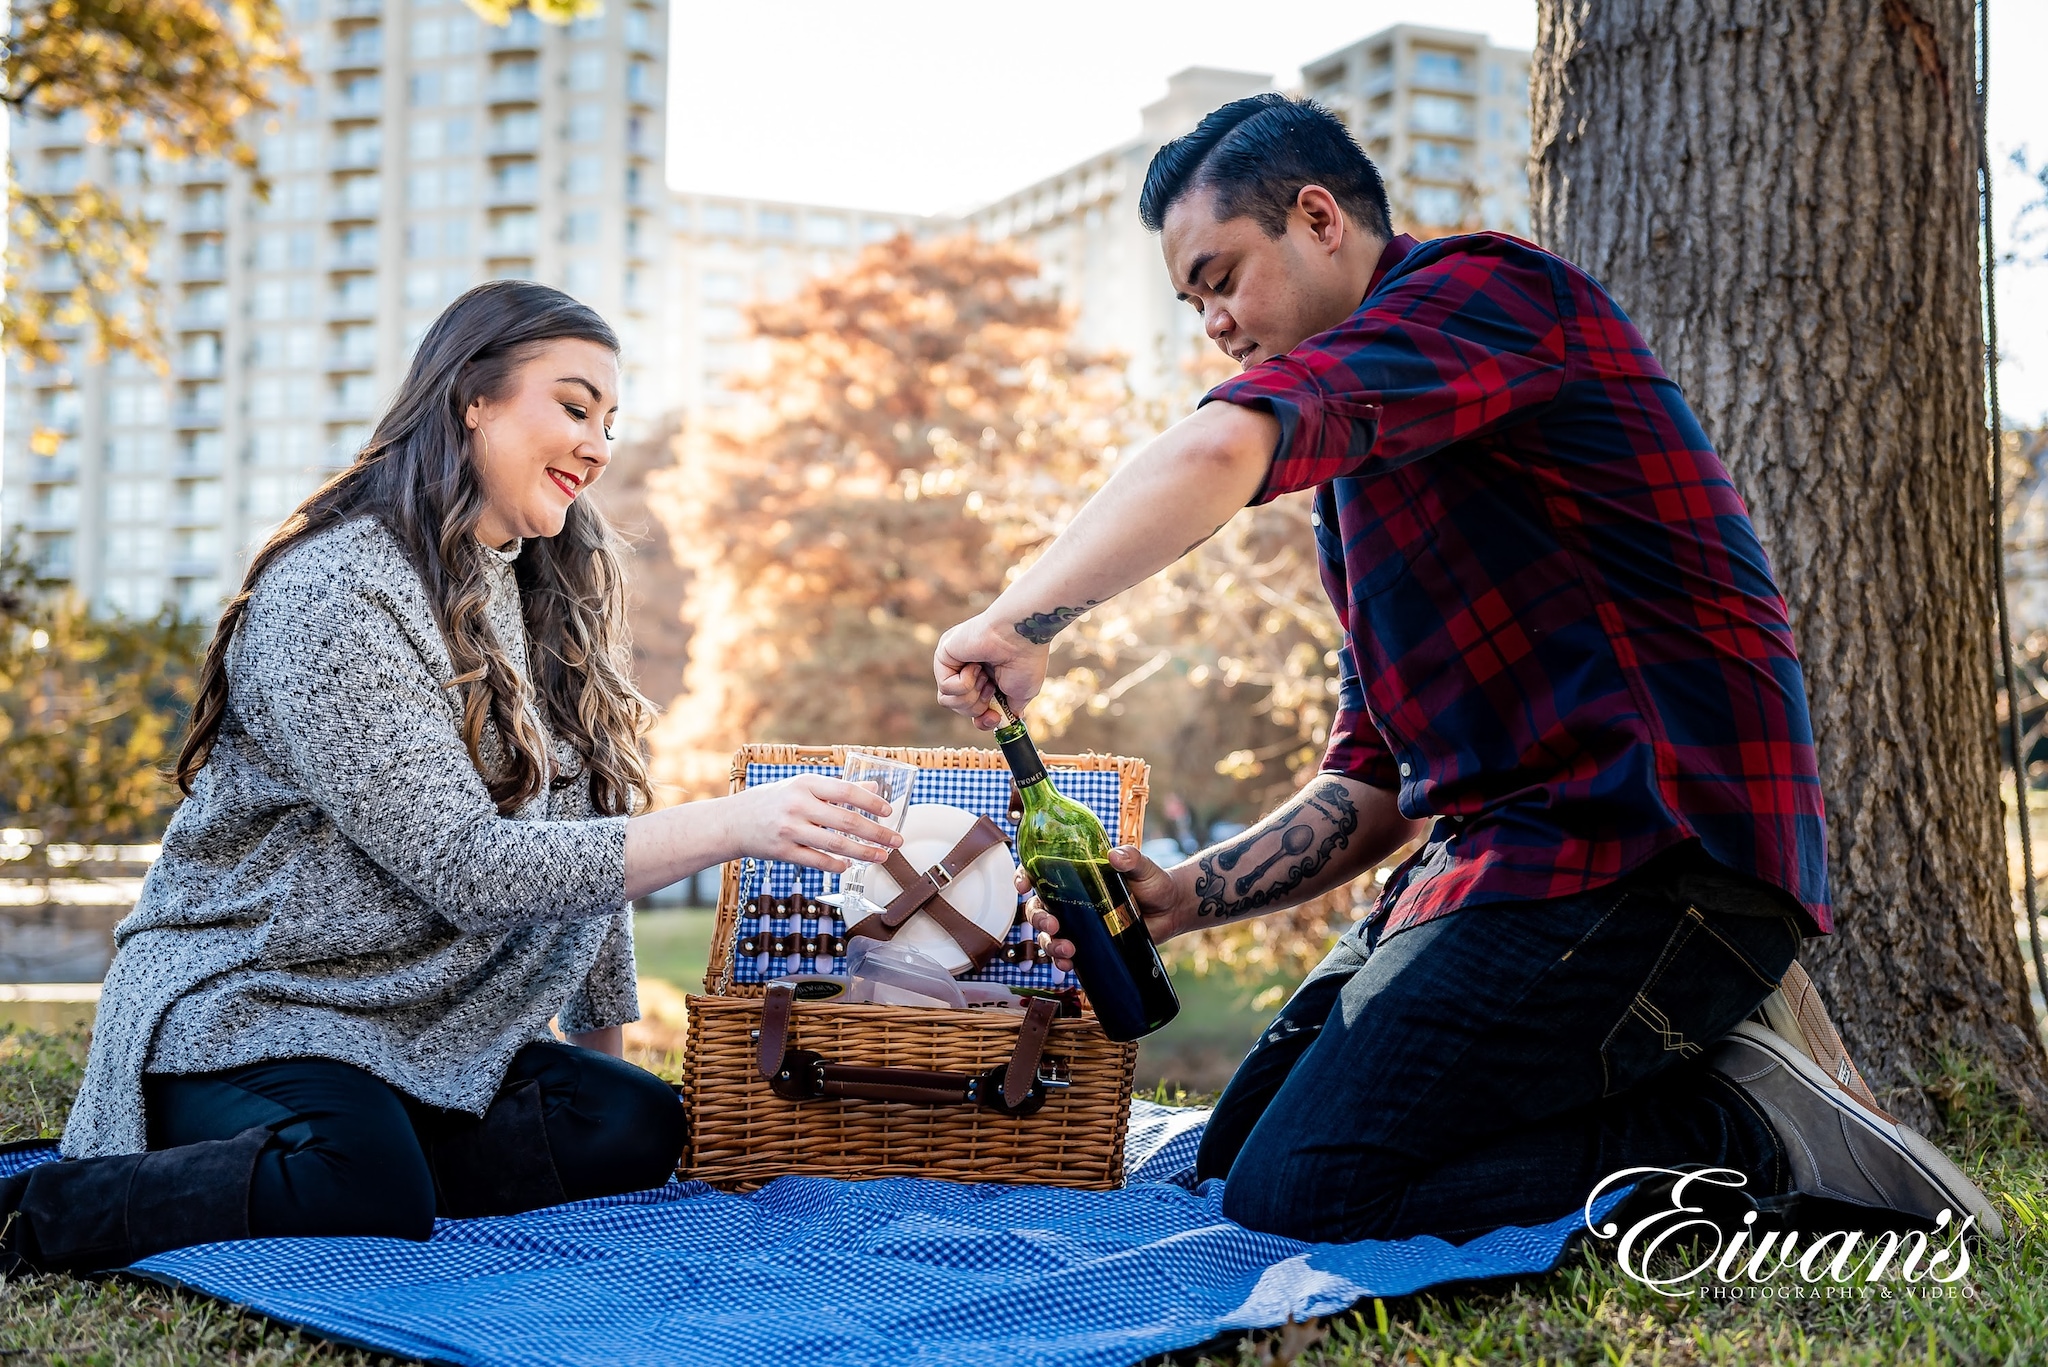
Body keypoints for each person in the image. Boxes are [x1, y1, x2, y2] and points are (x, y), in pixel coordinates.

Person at [935, 95, 2000, 1243]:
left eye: (1222, 277)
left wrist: (1025, 618)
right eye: (1192, 302)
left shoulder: (1492, 296)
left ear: (1316, 217)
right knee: (1236, 1157)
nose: (1216, 325)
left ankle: (1738, 1129)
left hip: (1653, 847)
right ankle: (1654, 1090)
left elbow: (1216, 443)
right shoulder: (1352, 488)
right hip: (1495, 863)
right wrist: (1180, 897)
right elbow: (1376, 778)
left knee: (1306, 1192)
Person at [1, 282, 904, 1276]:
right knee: (363, 1183)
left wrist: (596, 1081)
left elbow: (586, 838)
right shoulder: (339, 593)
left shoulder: (549, 582)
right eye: (573, 405)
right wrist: (733, 822)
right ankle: (31, 1206)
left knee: (636, 1126)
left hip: (432, 1027)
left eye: (609, 419)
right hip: (257, 1006)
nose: (598, 443)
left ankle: (344, 1155)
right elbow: (467, 867)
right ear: (470, 396)